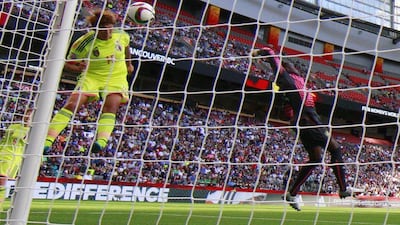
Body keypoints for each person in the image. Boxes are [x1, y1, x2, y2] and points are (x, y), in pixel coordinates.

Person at [251, 46, 351, 211]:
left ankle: (292, 193)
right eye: (288, 66)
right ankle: (343, 189)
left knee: (316, 158)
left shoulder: (298, 80)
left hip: (307, 122)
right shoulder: (287, 81)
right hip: (309, 121)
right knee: (336, 149)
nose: (292, 66)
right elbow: (272, 57)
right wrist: (263, 52)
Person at [44, 9, 134, 154]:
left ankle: (101, 142)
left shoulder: (122, 35)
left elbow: (126, 49)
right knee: (73, 103)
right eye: (104, 28)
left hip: (116, 76)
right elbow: (67, 63)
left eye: (110, 27)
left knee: (112, 105)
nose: (109, 31)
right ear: (95, 29)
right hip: (91, 76)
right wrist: (77, 67)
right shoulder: (84, 42)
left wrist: (129, 64)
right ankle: (47, 141)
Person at [0, 108, 34, 210]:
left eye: (30, 116)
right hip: (2, 153)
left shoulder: (33, 132)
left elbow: (17, 136)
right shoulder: (14, 126)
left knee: (1, 182)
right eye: (26, 114)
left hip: (12, 159)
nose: (27, 117)